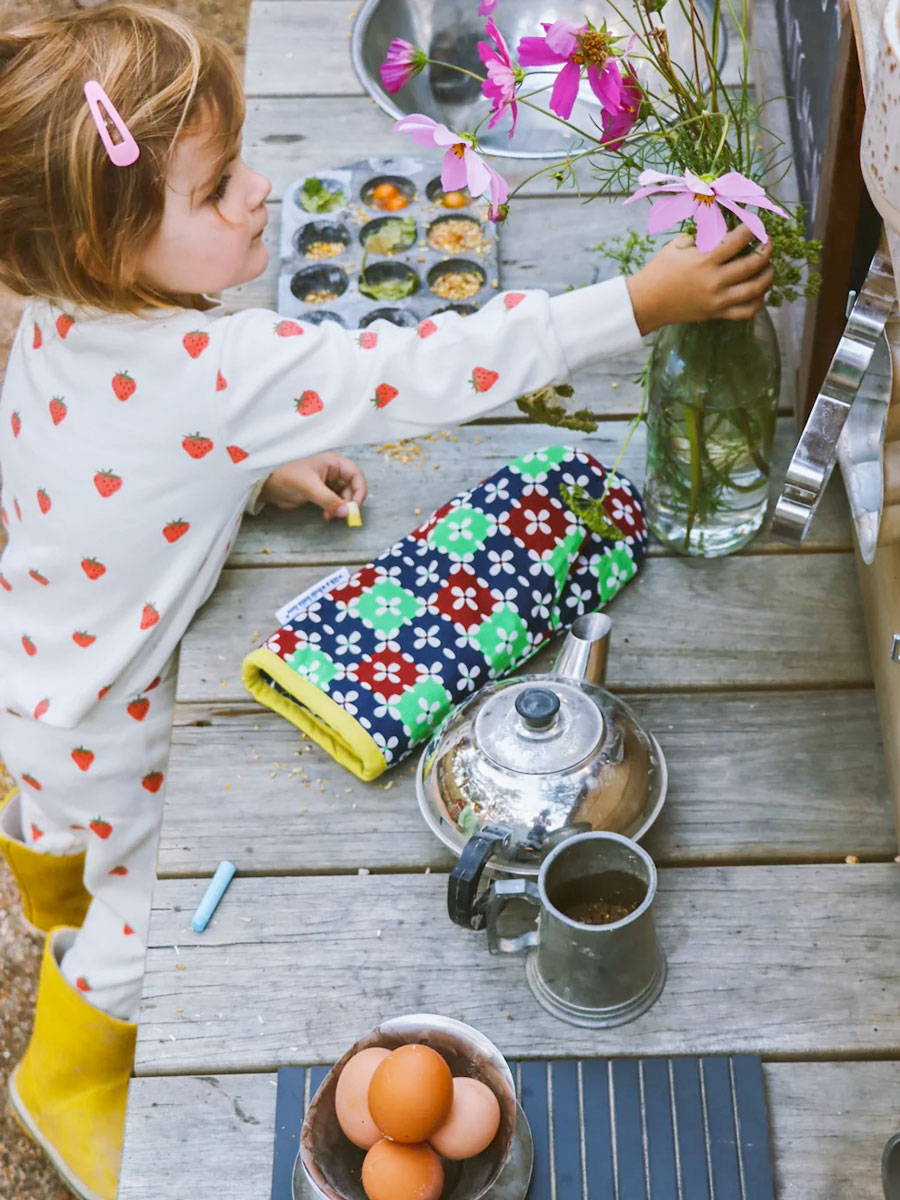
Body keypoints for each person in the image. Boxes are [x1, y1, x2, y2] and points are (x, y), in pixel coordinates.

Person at [0, 5, 774, 1197]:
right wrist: (640, 303)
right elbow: (423, 370)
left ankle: (57, 897)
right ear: (105, 249)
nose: (260, 192)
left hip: (41, 675)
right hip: (117, 716)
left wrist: (252, 467)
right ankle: (72, 1068)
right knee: (134, 907)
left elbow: (123, 463)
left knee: (65, 847)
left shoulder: (63, 316)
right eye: (216, 191)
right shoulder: (219, 371)